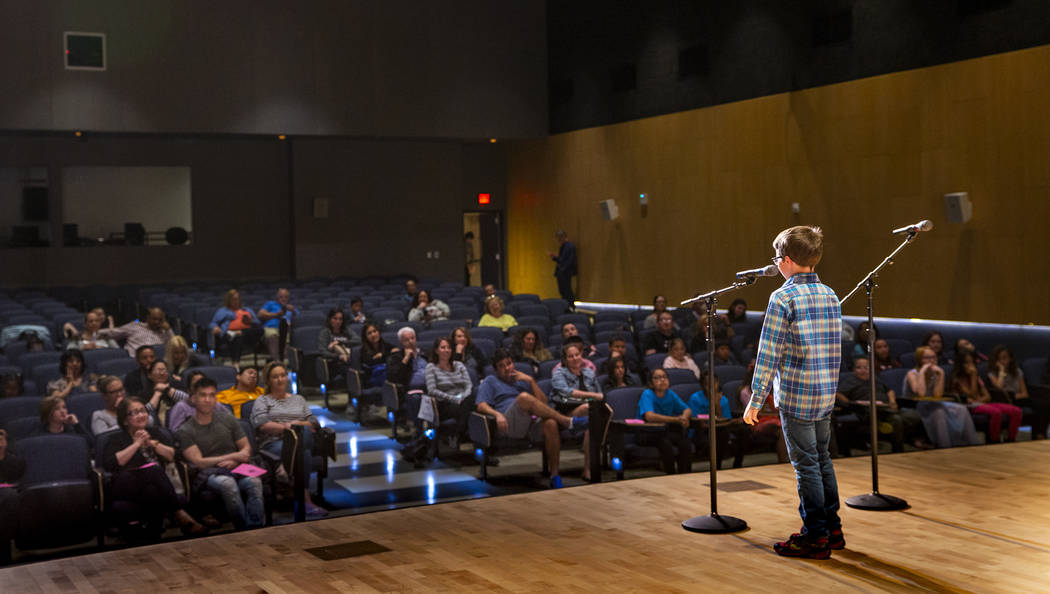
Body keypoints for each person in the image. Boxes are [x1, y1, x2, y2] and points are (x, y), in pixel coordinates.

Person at [743, 225, 843, 559]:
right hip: (825, 394)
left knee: (806, 467)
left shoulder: (782, 297)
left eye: (776, 258)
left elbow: (768, 354)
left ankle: (815, 536)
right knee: (822, 459)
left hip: (798, 396)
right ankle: (832, 529)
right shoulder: (830, 294)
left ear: (785, 260)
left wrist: (755, 400)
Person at [476, 349, 590, 487]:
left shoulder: (522, 380)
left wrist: (530, 381)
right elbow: (481, 405)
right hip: (508, 423)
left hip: (529, 422)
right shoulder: (490, 381)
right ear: (496, 370)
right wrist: (497, 414)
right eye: (502, 366)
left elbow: (543, 404)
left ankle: (555, 475)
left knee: (551, 423)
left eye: (509, 363)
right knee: (524, 398)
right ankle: (566, 421)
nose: (507, 368)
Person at [104, 396, 207, 537]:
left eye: (143, 411)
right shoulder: (115, 438)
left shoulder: (155, 433)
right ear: (125, 420)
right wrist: (136, 444)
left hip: (153, 486)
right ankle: (178, 512)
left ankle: (153, 533)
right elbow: (114, 463)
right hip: (125, 485)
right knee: (153, 469)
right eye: (134, 413)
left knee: (152, 490)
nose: (141, 415)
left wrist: (152, 443)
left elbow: (172, 455)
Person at [177, 378, 264, 530]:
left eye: (211, 395)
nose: (207, 400)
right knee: (227, 484)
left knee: (254, 482)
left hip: (236, 467)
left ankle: (255, 528)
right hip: (209, 473)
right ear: (193, 398)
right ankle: (243, 529)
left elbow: (245, 448)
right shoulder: (185, 430)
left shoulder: (227, 418)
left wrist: (236, 461)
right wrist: (233, 457)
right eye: (203, 395)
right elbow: (199, 462)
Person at [250, 362, 327, 517]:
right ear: (268, 380)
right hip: (273, 444)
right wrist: (289, 428)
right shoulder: (263, 401)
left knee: (303, 436)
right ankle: (306, 500)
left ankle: (286, 465)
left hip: (301, 440)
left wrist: (293, 425)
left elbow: (313, 423)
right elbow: (262, 425)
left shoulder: (299, 399)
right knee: (302, 445)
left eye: (283, 375)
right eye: (275, 377)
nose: (280, 379)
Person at [836, 356, 922, 452]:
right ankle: (898, 449)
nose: (863, 370)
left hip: (886, 407)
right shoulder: (850, 380)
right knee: (896, 420)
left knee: (915, 415)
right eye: (859, 368)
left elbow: (889, 391)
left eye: (866, 367)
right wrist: (850, 403)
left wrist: (892, 401)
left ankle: (895, 433)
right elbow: (838, 394)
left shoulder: (875, 379)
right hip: (866, 410)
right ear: (854, 369)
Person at [904, 346, 978, 448]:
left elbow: (937, 395)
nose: (931, 360)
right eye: (927, 358)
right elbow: (921, 394)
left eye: (933, 357)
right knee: (939, 412)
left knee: (961, 409)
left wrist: (941, 374)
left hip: (933, 403)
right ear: (920, 359)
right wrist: (922, 372)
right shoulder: (912, 374)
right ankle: (944, 445)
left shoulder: (936, 373)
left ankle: (972, 444)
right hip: (916, 405)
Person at [951, 351, 1021, 443]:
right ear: (960, 365)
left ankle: (1011, 439)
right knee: (996, 412)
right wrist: (973, 376)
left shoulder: (977, 378)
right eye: (966, 363)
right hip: (969, 406)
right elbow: (972, 394)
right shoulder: (957, 380)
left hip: (981, 403)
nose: (970, 366)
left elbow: (987, 396)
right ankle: (994, 441)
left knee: (1016, 411)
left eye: (972, 362)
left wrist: (979, 399)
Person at [637, 368, 693, 475]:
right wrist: (676, 419)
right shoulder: (647, 394)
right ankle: (670, 475)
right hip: (647, 432)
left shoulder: (670, 394)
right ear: (651, 383)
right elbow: (649, 416)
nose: (662, 380)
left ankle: (685, 475)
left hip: (665, 431)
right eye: (657, 378)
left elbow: (687, 409)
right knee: (665, 443)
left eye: (664, 377)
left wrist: (684, 417)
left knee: (685, 442)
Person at [988, 344, 1048, 439]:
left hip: (1017, 398)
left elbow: (1024, 393)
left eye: (1005, 358)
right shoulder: (992, 373)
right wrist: (1001, 371)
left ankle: (1039, 434)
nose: (1003, 361)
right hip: (1003, 400)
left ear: (1010, 358)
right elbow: (999, 387)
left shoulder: (1017, 371)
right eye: (1000, 359)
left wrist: (1015, 396)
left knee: (1041, 403)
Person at [422, 337, 473, 437]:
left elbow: (468, 385)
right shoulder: (431, 367)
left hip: (463, 399)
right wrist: (453, 399)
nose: (446, 350)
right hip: (445, 403)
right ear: (436, 351)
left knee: (473, 397)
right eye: (443, 347)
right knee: (465, 407)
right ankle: (460, 435)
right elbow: (432, 390)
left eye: (449, 347)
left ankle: (460, 434)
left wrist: (463, 397)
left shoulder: (459, 365)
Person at [209, 289, 262, 367]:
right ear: (229, 300)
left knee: (260, 329)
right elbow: (212, 324)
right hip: (229, 335)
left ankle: (239, 332)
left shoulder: (247, 310)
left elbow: (257, 323)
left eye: (237, 299)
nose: (236, 301)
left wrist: (251, 321)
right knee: (238, 338)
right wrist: (215, 328)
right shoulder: (223, 311)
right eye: (233, 299)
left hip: (248, 335)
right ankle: (236, 364)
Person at [98, 307, 174, 356]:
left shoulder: (165, 332)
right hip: (134, 360)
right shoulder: (135, 325)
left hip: (156, 363)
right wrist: (94, 332)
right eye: (154, 319)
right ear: (148, 318)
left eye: (160, 320)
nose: (157, 322)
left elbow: (175, 345)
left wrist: (169, 329)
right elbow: (114, 332)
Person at [141, 360, 190, 429]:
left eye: (165, 370)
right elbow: (145, 412)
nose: (162, 373)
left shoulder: (176, 384)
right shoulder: (145, 393)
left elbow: (188, 400)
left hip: (181, 423)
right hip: (158, 427)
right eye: (159, 370)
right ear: (149, 375)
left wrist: (167, 390)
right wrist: (157, 394)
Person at [317, 309, 360, 385]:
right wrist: (339, 356)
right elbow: (323, 351)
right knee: (353, 370)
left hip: (350, 358)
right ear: (330, 319)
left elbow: (358, 340)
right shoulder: (325, 332)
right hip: (335, 363)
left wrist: (340, 342)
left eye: (340, 319)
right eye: (335, 318)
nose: (338, 321)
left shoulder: (346, 330)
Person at [257, 288, 299, 363]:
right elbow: (260, 314)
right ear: (277, 297)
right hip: (271, 328)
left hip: (286, 329)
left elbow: (299, 319)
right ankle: (277, 362)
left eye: (286, 297)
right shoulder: (270, 304)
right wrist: (275, 315)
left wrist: (293, 311)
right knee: (273, 337)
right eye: (281, 297)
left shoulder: (290, 308)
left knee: (287, 340)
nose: (283, 299)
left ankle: (285, 362)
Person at [548, 230, 577, 308]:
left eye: (559, 238)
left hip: (565, 272)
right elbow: (562, 259)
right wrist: (555, 258)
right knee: (563, 291)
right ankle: (566, 307)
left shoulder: (569, 246)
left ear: (563, 237)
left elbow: (568, 261)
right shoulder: (565, 246)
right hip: (562, 272)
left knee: (567, 291)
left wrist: (562, 269)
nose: (558, 241)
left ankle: (570, 307)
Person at [360, 323, 393, 388]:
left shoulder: (385, 344)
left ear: (379, 332)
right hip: (372, 376)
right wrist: (385, 356)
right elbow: (370, 363)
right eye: (369, 333)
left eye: (375, 331)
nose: (373, 335)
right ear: (365, 337)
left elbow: (395, 350)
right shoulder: (363, 350)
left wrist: (382, 356)